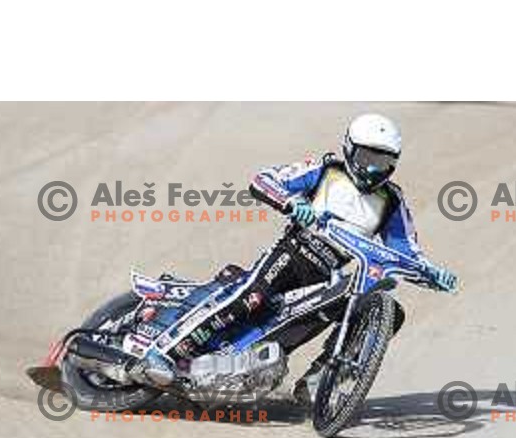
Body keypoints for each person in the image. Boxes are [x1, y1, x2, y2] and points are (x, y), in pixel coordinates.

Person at [142, 113, 458, 377]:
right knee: (253, 297)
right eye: (367, 158)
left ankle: (318, 380)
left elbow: (405, 249)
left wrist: (431, 272)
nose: (374, 168)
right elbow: (264, 180)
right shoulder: (325, 170)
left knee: (316, 322)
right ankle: (168, 351)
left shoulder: (392, 200)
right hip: (292, 253)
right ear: (350, 148)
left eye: (383, 161)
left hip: (329, 275)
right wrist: (292, 202)